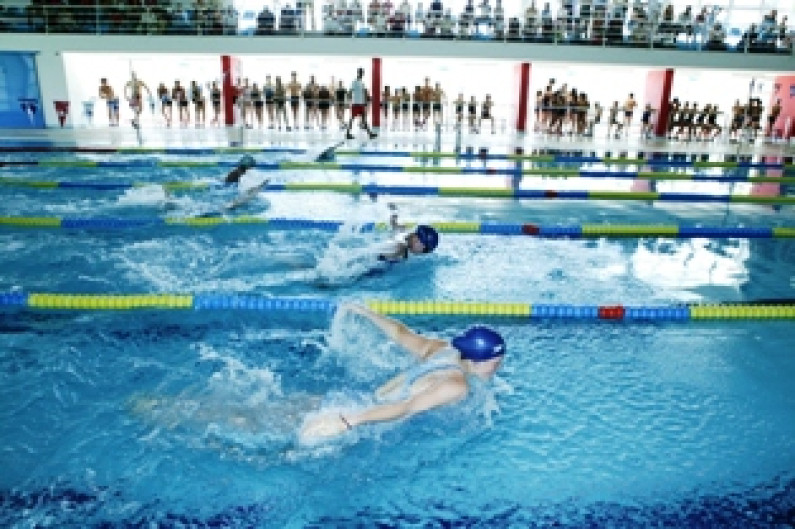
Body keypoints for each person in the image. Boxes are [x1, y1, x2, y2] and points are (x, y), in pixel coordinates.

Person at [299, 303, 506, 443]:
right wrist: (348, 421)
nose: (498, 368)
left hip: (356, 399)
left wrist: (363, 311)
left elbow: (400, 333)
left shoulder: (442, 350)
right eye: (495, 363)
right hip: (364, 418)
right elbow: (407, 407)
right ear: (475, 360)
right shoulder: (456, 385)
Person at [344, 67, 377, 140]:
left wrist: (366, 101)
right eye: (360, 72)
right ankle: (347, 134)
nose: (361, 74)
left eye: (362, 72)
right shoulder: (354, 82)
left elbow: (364, 93)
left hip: (361, 104)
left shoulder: (362, 83)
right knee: (352, 119)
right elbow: (349, 92)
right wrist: (347, 102)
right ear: (358, 72)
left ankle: (370, 134)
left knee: (364, 119)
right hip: (355, 104)